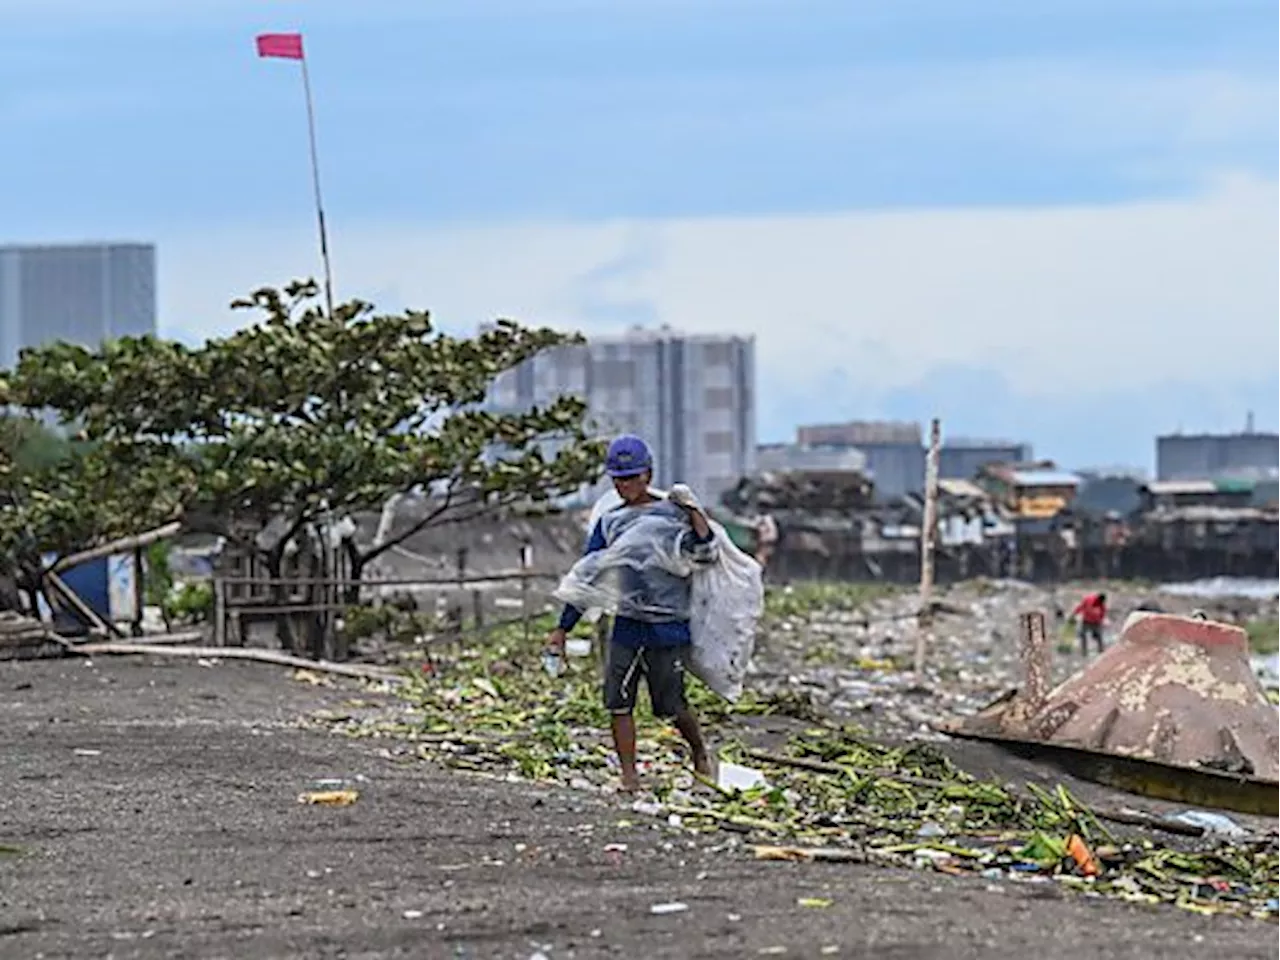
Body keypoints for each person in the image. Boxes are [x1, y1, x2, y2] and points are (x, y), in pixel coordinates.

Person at [546, 434, 718, 792]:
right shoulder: (610, 523)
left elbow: (703, 553)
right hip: (627, 624)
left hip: (668, 625)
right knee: (617, 701)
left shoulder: (672, 515)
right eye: (618, 479)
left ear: (648, 475)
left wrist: (696, 514)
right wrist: (563, 627)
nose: (624, 486)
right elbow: (588, 576)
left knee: (670, 704)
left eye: (631, 478)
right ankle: (629, 775)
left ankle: (700, 753)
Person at [1070, 591, 1108, 655]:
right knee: (1082, 635)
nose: (1099, 603)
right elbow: (1081, 607)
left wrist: (1100, 622)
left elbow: (1103, 614)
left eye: (1101, 603)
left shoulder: (1102, 605)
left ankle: (1101, 650)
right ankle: (1084, 651)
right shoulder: (1088, 599)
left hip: (1096, 622)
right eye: (1098, 602)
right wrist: (1074, 614)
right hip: (1086, 621)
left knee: (1099, 636)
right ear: (1097, 598)